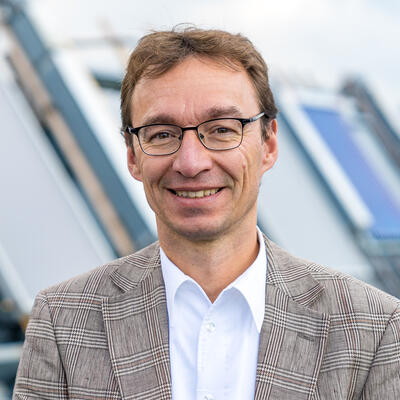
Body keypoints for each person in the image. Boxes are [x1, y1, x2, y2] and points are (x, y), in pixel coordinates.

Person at [13, 27, 400, 400]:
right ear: (132, 156)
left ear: (268, 144)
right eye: (162, 134)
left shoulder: (373, 328)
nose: (191, 162)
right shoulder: (63, 322)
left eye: (222, 130)